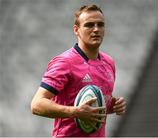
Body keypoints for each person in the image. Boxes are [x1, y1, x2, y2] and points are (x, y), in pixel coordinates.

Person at [31, 4, 126, 137]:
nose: (96, 29)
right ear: (76, 30)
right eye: (89, 25)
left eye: (100, 24)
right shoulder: (64, 62)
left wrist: (113, 106)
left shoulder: (109, 62)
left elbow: (93, 105)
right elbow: (37, 104)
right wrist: (75, 111)